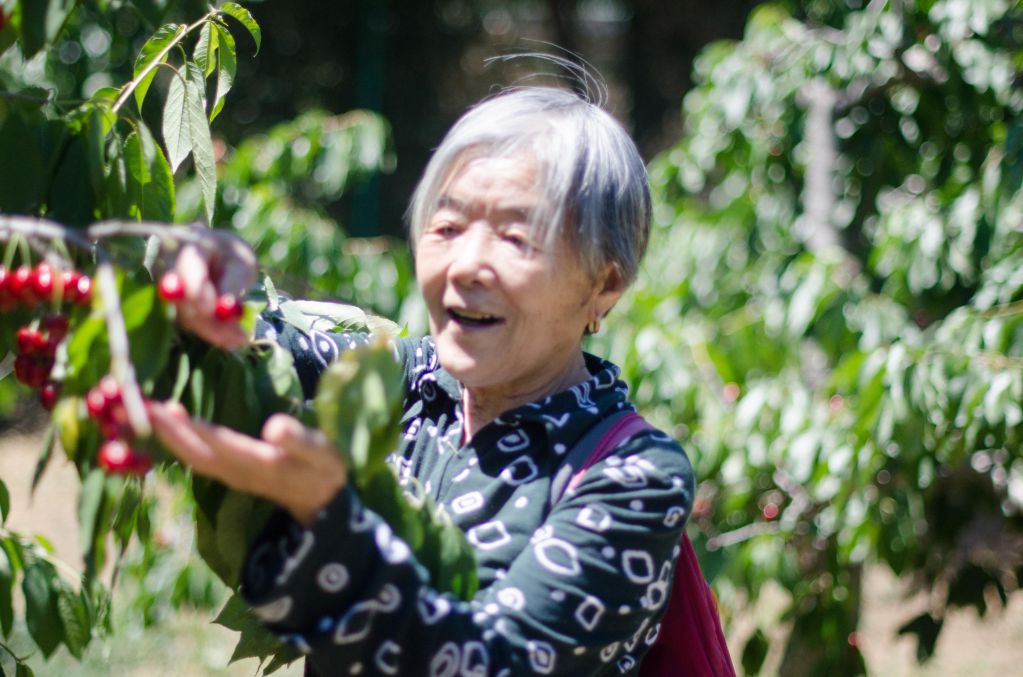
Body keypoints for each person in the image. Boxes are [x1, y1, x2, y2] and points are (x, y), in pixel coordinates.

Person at [149, 85, 695, 676]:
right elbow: (247, 353)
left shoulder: (634, 475)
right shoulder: (397, 381)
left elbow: (491, 665)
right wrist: (185, 308)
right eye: (447, 227)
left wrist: (332, 528)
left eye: (516, 238)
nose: (464, 265)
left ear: (604, 286)